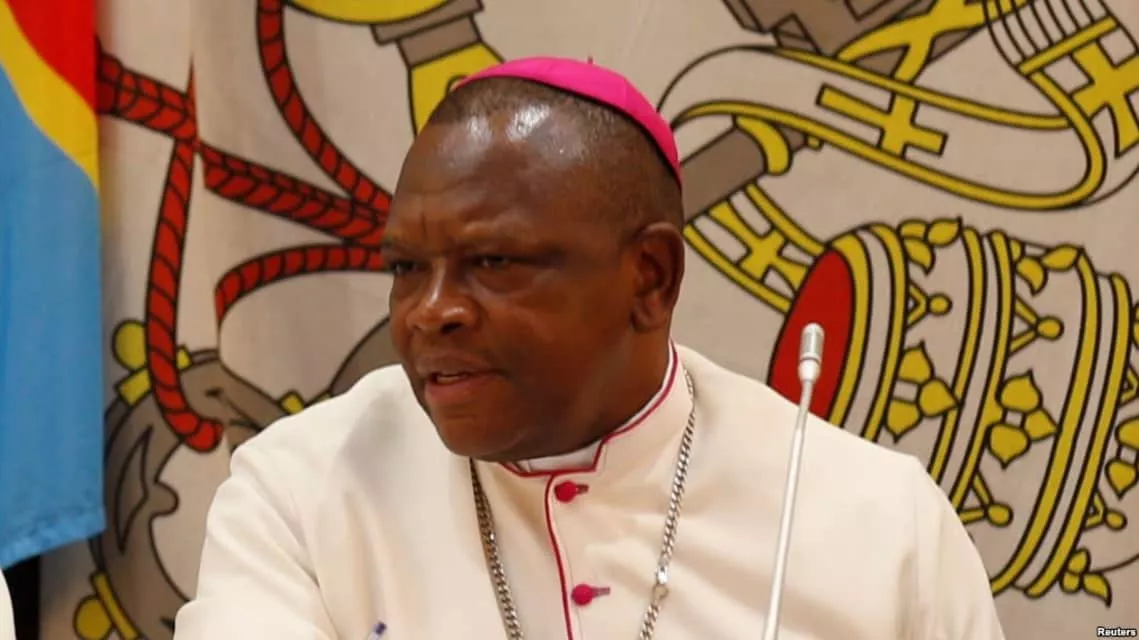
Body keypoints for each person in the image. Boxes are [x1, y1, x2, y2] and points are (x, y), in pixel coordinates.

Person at [173, 57, 1005, 639]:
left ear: (649, 278)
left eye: (492, 263)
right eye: (406, 269)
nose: (430, 313)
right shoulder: (302, 489)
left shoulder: (875, 522)